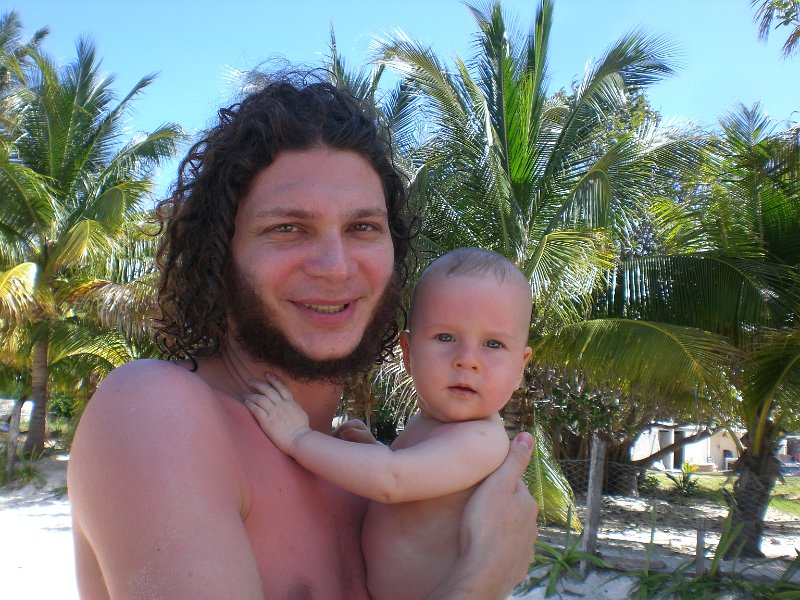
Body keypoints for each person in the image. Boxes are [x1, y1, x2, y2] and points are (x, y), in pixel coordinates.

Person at [68, 72, 538, 600]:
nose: (336, 267)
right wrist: (484, 577)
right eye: (287, 228)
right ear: (220, 252)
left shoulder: (355, 476)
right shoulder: (156, 411)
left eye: (362, 227)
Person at [245, 247, 534, 600]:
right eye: (446, 337)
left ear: (519, 368)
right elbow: (409, 484)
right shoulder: (431, 425)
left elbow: (392, 481)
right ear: (409, 354)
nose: (467, 360)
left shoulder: (482, 440)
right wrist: (374, 449)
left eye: (493, 344)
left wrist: (297, 437)